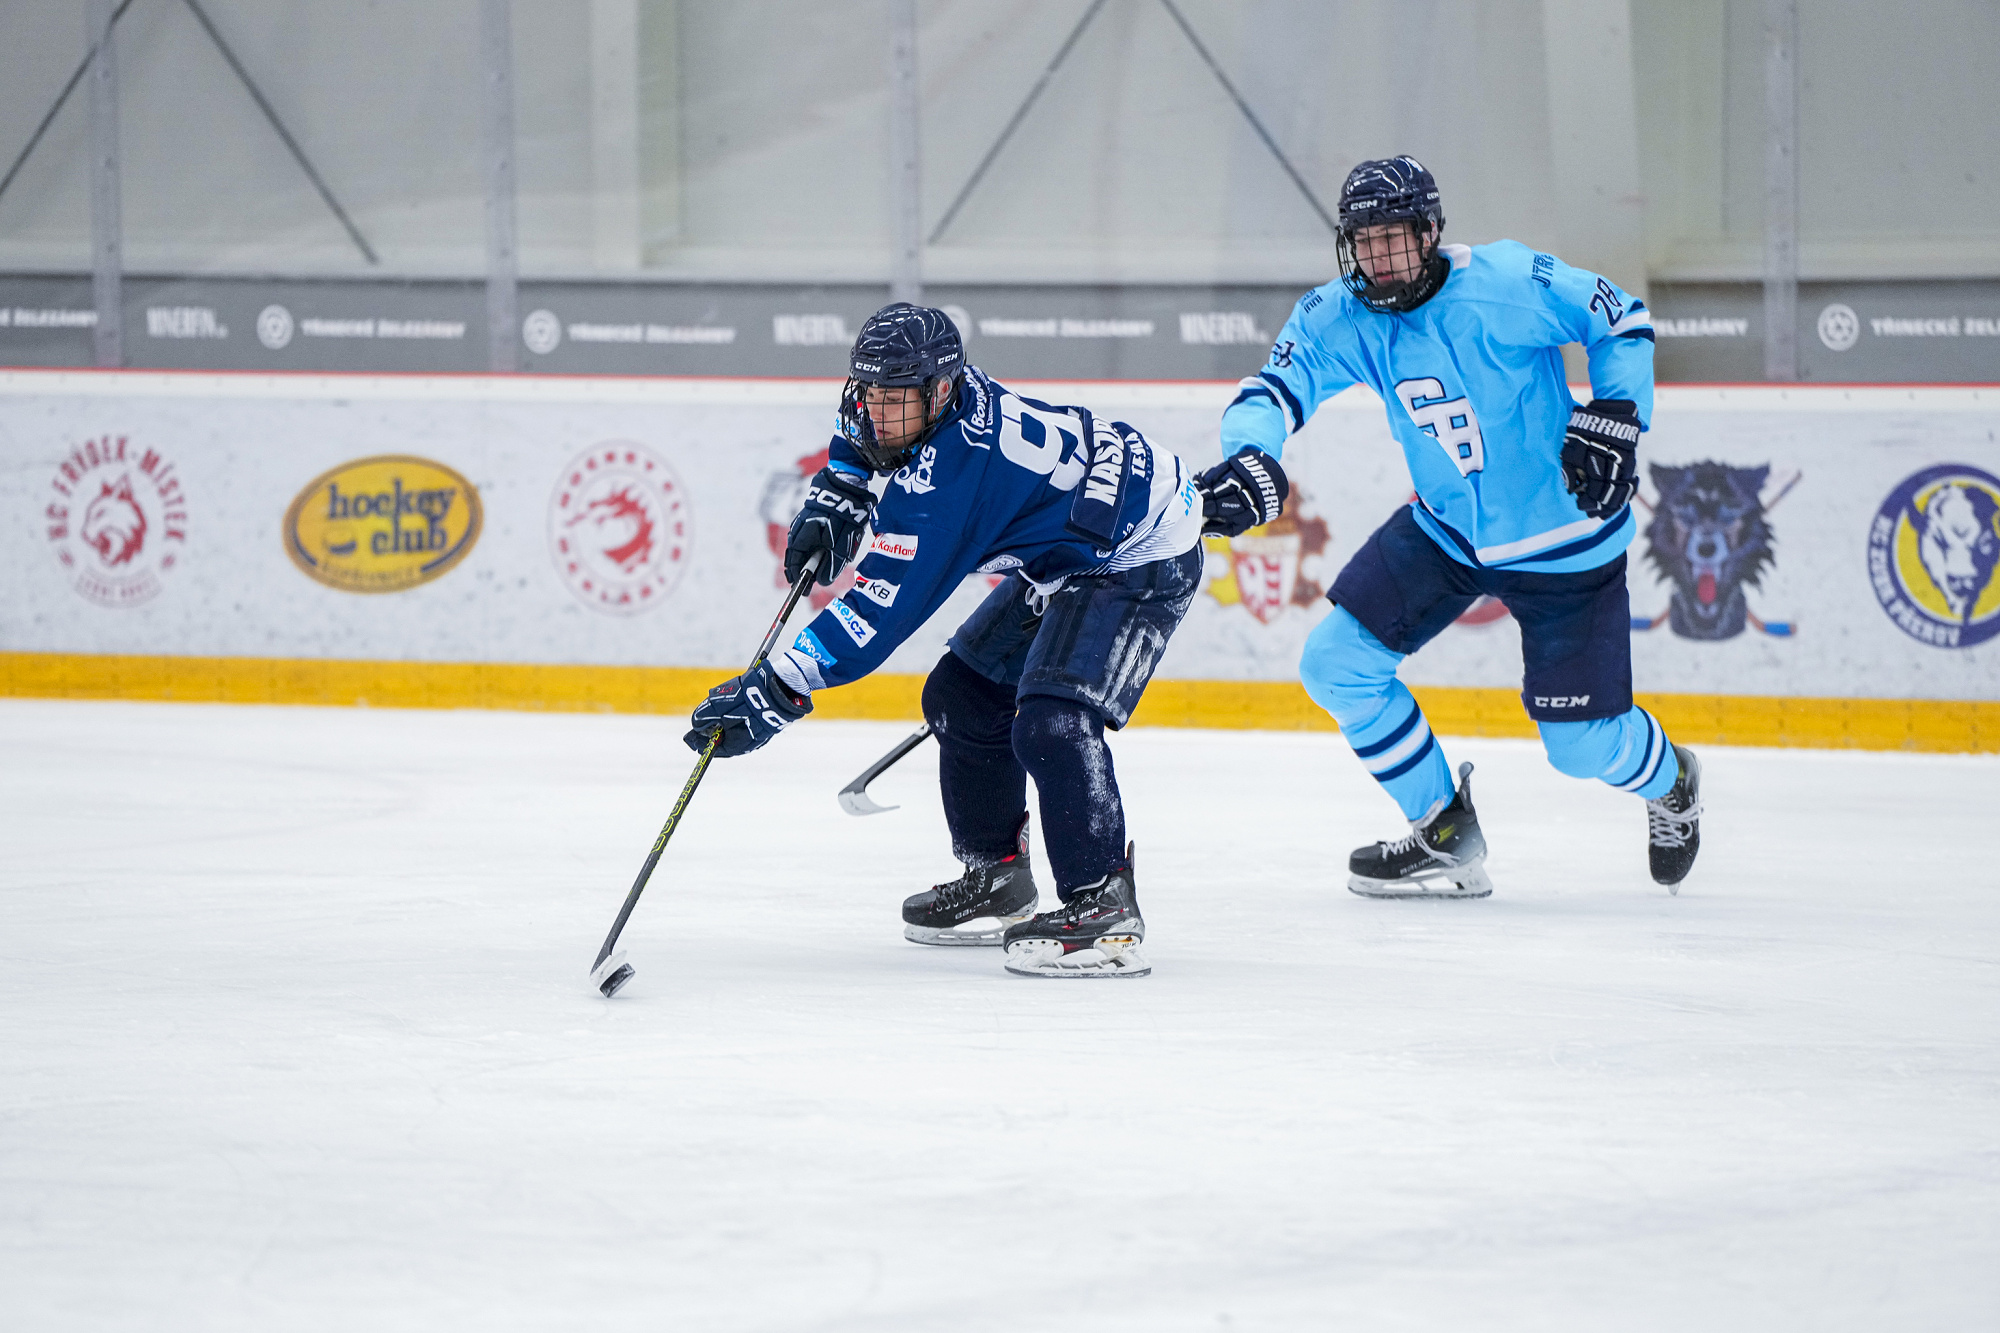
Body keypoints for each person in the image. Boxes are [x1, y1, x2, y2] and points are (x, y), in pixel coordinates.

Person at [681, 304, 1284, 976]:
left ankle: (1103, 904)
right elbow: (862, 428)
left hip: (1138, 553)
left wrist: (776, 689)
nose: (877, 413)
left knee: (1053, 722)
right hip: (1074, 542)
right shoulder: (936, 397)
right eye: (870, 392)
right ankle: (999, 876)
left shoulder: (948, 485)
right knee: (962, 696)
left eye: (896, 400)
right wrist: (841, 487)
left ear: (940, 390)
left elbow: (876, 614)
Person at [1214, 156, 1703, 898]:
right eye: (1362, 241)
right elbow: (1274, 389)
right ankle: (1444, 829)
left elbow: (1620, 317)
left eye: (1392, 237)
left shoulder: (1506, 281)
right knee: (1335, 663)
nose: (1377, 258)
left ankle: (1672, 779)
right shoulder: (1338, 313)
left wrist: (1619, 412)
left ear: (1430, 231)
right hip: (1446, 530)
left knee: (1580, 749)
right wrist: (1250, 454)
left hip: (1564, 539)